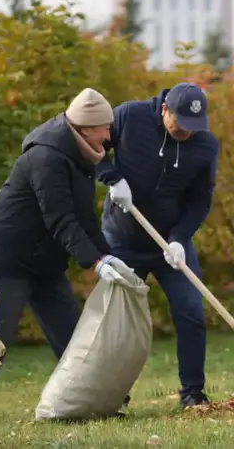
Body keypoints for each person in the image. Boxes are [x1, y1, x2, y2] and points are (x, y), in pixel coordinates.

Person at [0, 88, 138, 448]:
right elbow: (59, 218)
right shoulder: (47, 156)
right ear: (85, 128)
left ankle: (93, 403)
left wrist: (107, 254)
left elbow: (84, 217)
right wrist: (95, 261)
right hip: (8, 258)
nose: (109, 136)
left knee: (73, 334)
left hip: (46, 260)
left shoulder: (84, 155)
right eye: (104, 128)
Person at [96, 83, 219, 409]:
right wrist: (110, 176)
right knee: (116, 320)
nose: (186, 133)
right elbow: (90, 146)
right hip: (122, 239)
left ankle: (193, 393)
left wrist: (179, 238)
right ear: (165, 109)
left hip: (170, 243)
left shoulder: (206, 146)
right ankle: (112, 396)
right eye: (180, 124)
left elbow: (199, 200)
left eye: (194, 127)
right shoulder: (129, 116)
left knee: (191, 311)